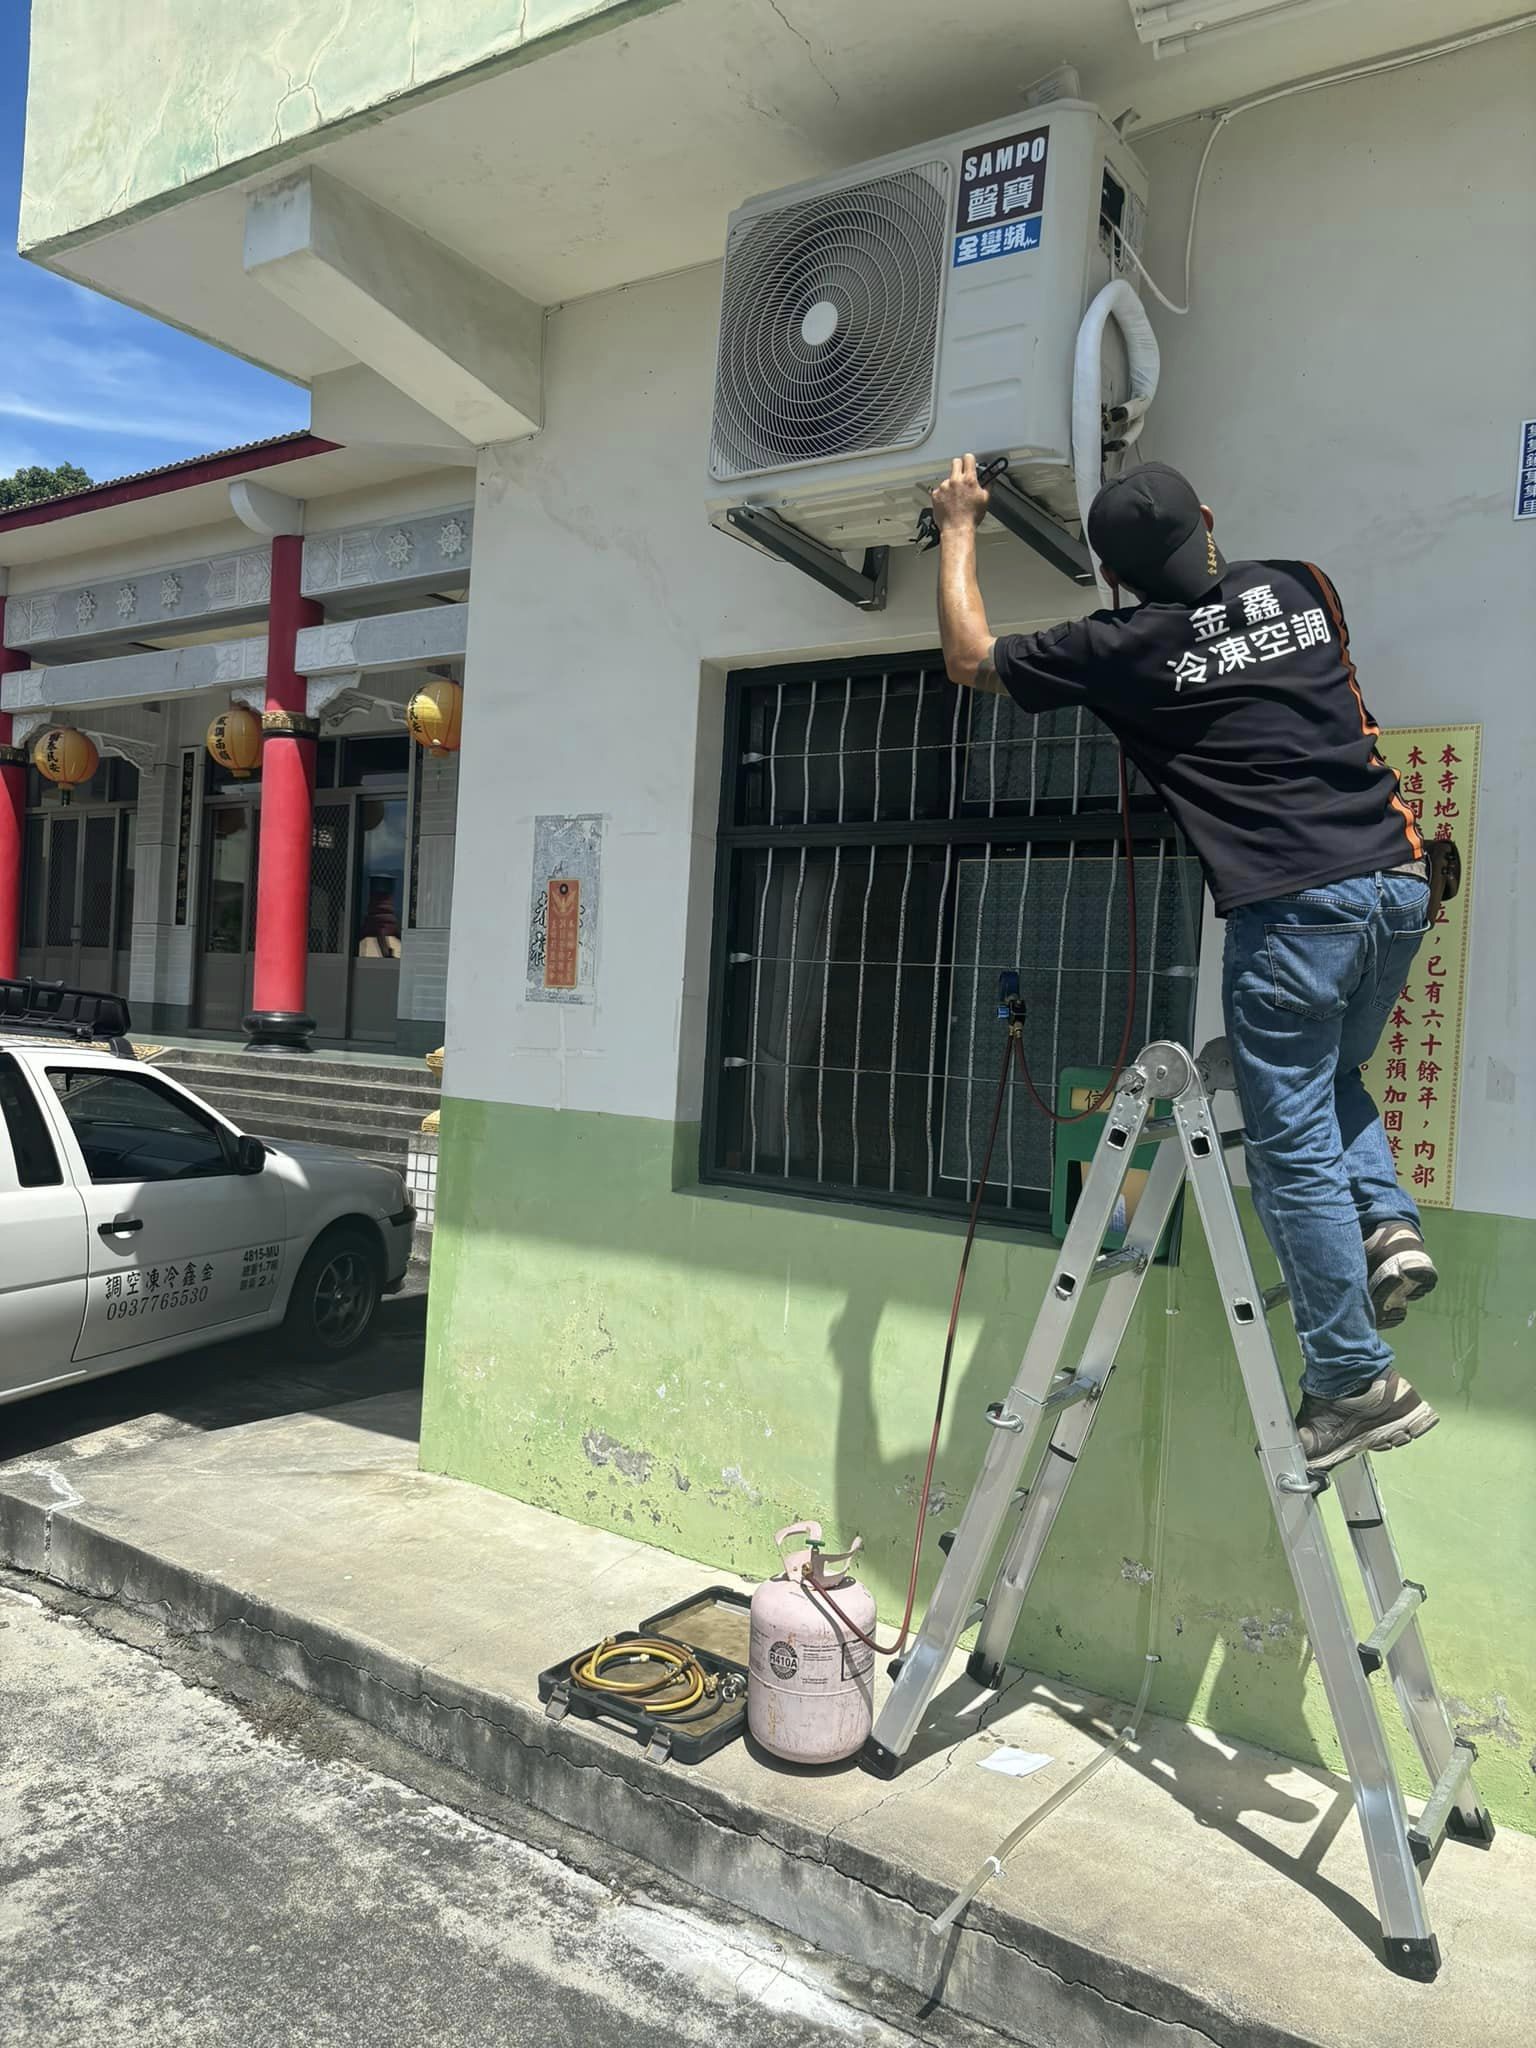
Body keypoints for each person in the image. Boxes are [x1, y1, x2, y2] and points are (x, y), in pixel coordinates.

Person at [930, 453, 1439, 1473]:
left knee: (1289, 1139)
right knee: (1329, 1072)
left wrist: (958, 524)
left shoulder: (1119, 646)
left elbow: (969, 654)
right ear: (1206, 517)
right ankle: (1385, 1227)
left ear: (1113, 576)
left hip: (1292, 908)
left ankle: (1352, 1380)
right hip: (1396, 885)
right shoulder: (1302, 585)